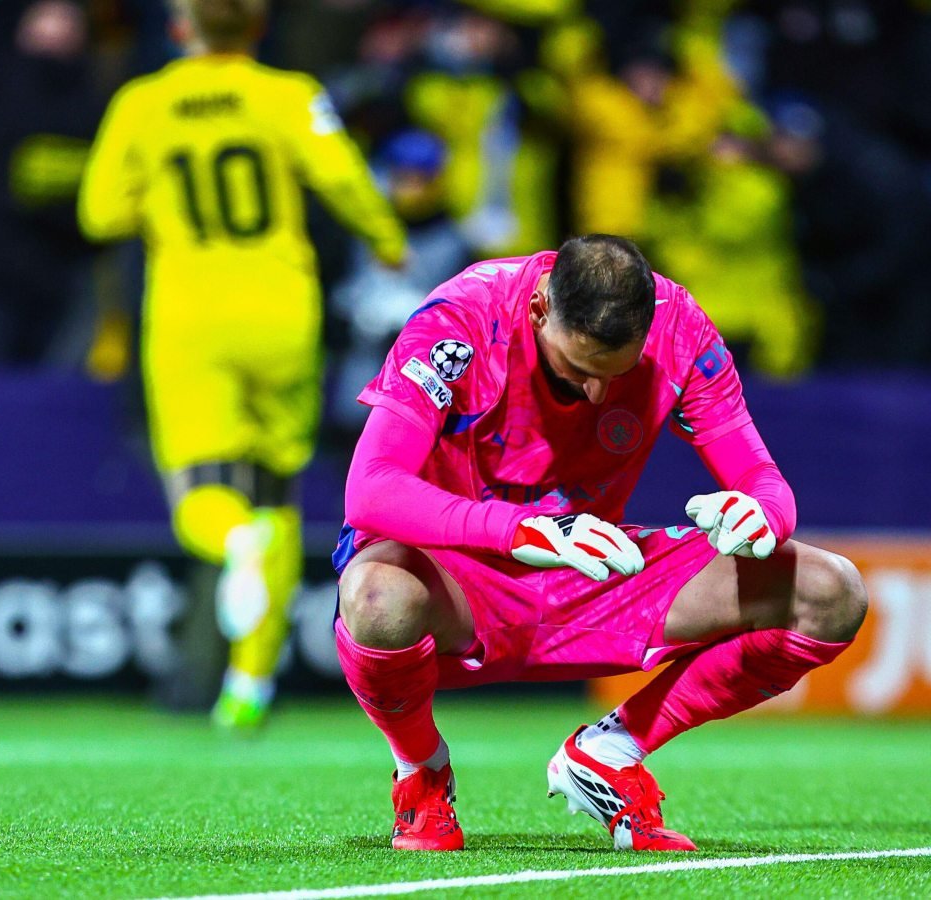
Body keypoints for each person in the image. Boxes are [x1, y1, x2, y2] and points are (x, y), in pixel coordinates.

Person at [334, 234, 868, 851]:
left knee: (830, 590)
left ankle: (610, 751)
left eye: (617, 374)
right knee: (376, 595)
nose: (596, 394)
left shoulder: (679, 328)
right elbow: (370, 490)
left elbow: (761, 477)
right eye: (578, 370)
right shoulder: (464, 317)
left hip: (594, 572)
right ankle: (421, 770)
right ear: (539, 310)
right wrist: (517, 529)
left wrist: (761, 515)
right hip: (461, 575)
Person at [79, 0, 407, 732]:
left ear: (179, 29)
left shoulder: (143, 102)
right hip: (284, 309)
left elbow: (99, 212)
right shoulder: (288, 93)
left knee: (204, 495)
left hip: (191, 316)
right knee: (273, 491)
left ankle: (235, 545)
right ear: (257, 29)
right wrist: (387, 239)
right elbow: (343, 176)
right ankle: (250, 684)